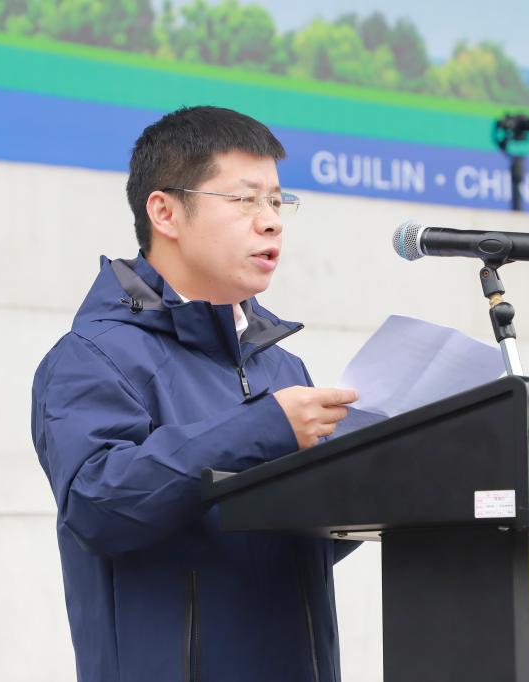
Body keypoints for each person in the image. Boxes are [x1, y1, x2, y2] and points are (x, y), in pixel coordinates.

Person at [31, 106, 360, 682]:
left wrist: (374, 480)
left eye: (277, 201)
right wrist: (264, 429)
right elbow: (98, 505)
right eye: (245, 199)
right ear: (165, 212)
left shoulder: (283, 367)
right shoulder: (94, 356)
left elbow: (288, 545)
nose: (271, 222)